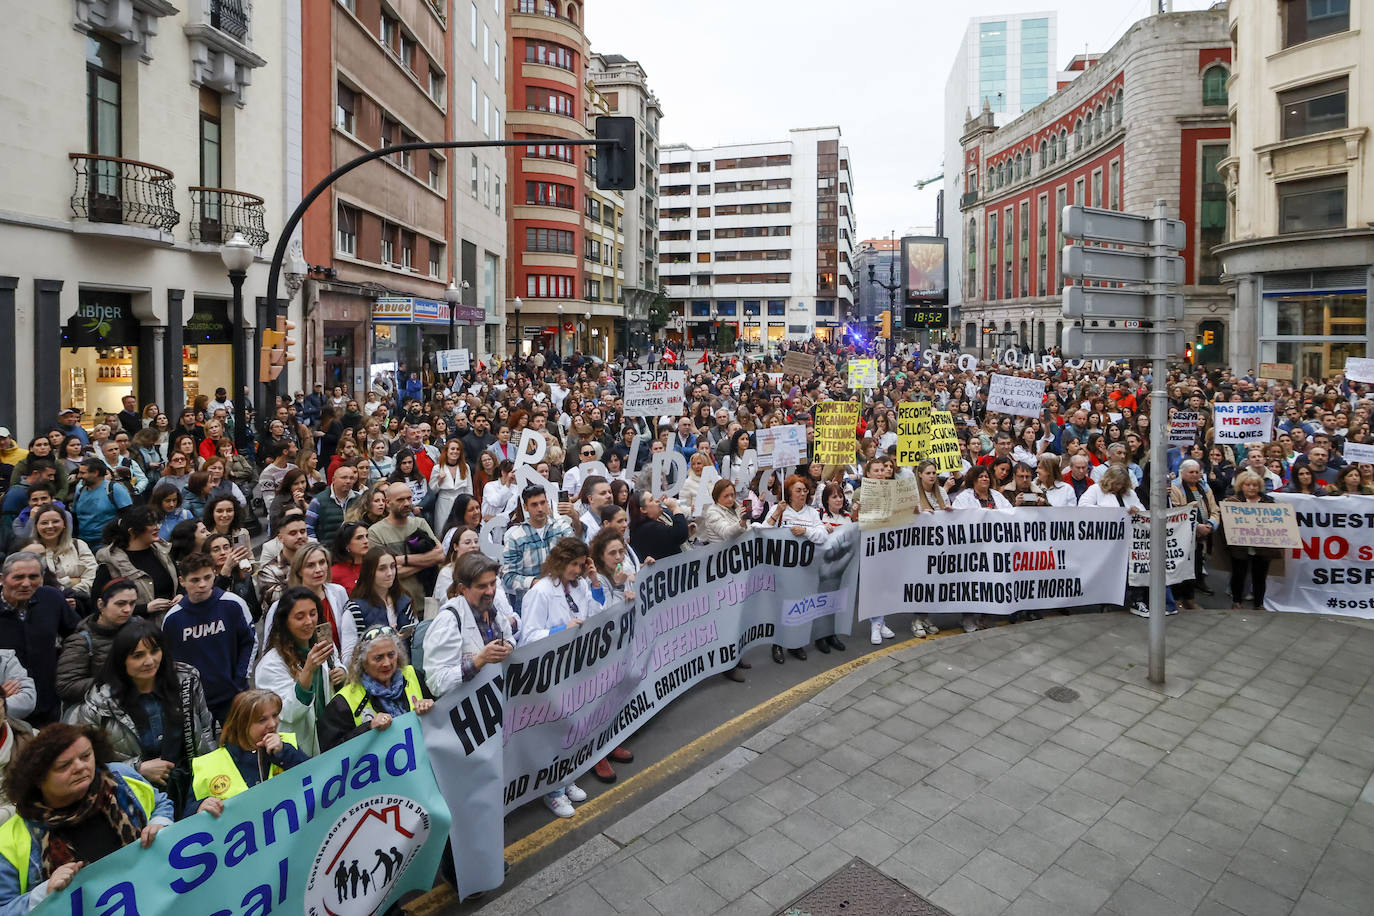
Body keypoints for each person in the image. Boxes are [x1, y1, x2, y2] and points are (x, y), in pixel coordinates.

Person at [0, 723, 173, 909]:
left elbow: (159, 803)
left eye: (86, 756)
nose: (80, 767)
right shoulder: (10, 841)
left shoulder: (121, 778)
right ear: (38, 779)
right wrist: (42, 894)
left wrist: (160, 824)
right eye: (64, 765)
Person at [67, 620, 215, 815]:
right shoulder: (99, 704)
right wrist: (138, 768)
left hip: (192, 790)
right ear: (121, 660)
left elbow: (206, 731)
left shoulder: (186, 680)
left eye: (155, 651)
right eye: (138, 655)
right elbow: (90, 764)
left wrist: (213, 783)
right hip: (135, 799)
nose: (149, 661)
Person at [513, 538, 593, 818]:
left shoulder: (580, 585)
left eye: (581, 564)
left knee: (571, 727)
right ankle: (552, 791)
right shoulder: (541, 592)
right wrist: (561, 629)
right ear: (559, 562)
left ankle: (566, 776)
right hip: (549, 673)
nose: (578, 569)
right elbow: (529, 636)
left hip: (575, 667)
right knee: (551, 731)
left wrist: (594, 582)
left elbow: (592, 614)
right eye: (573, 564)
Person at [160, 553, 255, 725]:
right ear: (182, 581)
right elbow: (168, 661)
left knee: (243, 746)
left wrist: (240, 679)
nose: (202, 584)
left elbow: (250, 642)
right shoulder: (172, 619)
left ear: (214, 575)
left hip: (235, 694)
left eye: (207, 577)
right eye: (195, 580)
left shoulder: (233, 604)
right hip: (194, 703)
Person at [187, 689, 311, 819]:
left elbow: (317, 777)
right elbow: (185, 819)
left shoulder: (287, 745)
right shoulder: (208, 764)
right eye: (262, 720)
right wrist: (199, 807)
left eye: (275, 715)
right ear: (242, 723)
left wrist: (284, 753)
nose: (273, 724)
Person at [254, 586, 343, 758]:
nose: (309, 621)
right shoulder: (270, 665)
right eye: (299, 617)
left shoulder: (322, 647)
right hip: (296, 751)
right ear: (285, 621)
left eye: (313, 613)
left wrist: (342, 673)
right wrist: (308, 670)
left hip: (330, 740)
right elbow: (288, 712)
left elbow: (337, 667)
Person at [318, 626, 435, 752]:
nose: (387, 663)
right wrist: (368, 728)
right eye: (378, 658)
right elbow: (331, 755)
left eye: (391, 655)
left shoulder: (414, 676)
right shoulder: (343, 703)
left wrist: (431, 708)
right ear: (363, 662)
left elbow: (442, 722)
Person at [0, 554, 80, 725]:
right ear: (2, 579)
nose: (26, 583)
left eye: (34, 577)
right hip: (8, 707)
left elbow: (77, 635)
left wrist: (66, 670)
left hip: (49, 701)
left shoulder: (52, 598)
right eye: (18, 577)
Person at [54, 579, 138, 710]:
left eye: (132, 603)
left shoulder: (140, 628)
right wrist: (117, 680)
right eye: (120, 604)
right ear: (101, 604)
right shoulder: (80, 641)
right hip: (100, 716)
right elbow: (66, 686)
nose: (127, 609)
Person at [92, 508, 179, 623]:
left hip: (171, 622)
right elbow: (98, 606)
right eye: (151, 524)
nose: (157, 527)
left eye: (157, 522)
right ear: (132, 532)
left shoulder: (163, 552)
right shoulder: (110, 564)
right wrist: (145, 608)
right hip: (136, 630)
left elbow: (180, 579)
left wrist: (181, 595)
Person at [367, 483, 445, 608]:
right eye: (400, 500)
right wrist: (427, 562)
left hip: (428, 601)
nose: (407, 503)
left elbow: (440, 556)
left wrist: (402, 560)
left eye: (409, 498)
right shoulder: (375, 532)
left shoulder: (420, 523)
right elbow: (386, 573)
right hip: (398, 605)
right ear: (388, 503)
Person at [500, 485, 576, 613]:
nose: (540, 509)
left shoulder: (562, 528)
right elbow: (508, 577)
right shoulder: (516, 537)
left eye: (543, 503)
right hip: (532, 603)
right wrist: (536, 583)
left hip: (563, 597)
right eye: (534, 505)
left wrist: (575, 517)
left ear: (548, 503)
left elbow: (577, 555)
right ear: (525, 507)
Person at [17, 506, 96, 614]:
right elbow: (37, 584)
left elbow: (92, 579)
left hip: (80, 606)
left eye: (55, 521)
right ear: (36, 526)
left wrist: (69, 593)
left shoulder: (78, 545)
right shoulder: (32, 550)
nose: (50, 526)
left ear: (64, 524)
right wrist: (70, 581)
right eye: (44, 523)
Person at [1222, 470, 1281, 611]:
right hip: (1240, 546)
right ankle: (1237, 601)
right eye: (1248, 485)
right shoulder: (1233, 502)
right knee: (1238, 574)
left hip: (1263, 546)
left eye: (1255, 485)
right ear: (1241, 486)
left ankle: (1259, 603)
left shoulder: (1269, 502)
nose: (1252, 488)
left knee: (1260, 576)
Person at [1168, 459, 1220, 610]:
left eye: (1197, 472)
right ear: (1182, 473)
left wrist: (1210, 524)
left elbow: (1214, 509)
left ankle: (1189, 599)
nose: (1195, 475)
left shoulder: (1205, 487)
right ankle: (1177, 599)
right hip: (1182, 536)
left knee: (1195, 567)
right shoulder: (1175, 488)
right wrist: (1196, 526)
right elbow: (1175, 511)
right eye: (1191, 472)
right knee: (1181, 568)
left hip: (1201, 537)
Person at [346, 549, 415, 636]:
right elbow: (349, 649)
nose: (390, 573)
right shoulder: (355, 609)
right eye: (382, 569)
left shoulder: (405, 600)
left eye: (393, 566)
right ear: (369, 572)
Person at [70, 459, 133, 547]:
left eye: (83, 473)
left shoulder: (114, 489)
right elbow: (74, 518)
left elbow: (128, 516)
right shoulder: (80, 491)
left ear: (95, 473)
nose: (79, 476)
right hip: (83, 544)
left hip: (108, 544)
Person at [305, 462, 361, 546]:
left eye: (351, 478)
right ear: (333, 480)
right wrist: (317, 548)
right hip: (327, 551)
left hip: (353, 551)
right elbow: (308, 527)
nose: (348, 481)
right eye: (344, 478)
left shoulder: (359, 499)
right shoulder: (318, 500)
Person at [628, 491, 690, 564]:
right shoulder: (648, 528)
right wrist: (675, 508)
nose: (657, 500)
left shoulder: (646, 526)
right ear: (643, 510)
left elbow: (670, 539)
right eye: (651, 500)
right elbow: (680, 534)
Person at [427, 440, 471, 533]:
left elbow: (469, 489)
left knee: (461, 529)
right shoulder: (438, 468)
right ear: (446, 451)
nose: (455, 451)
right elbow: (432, 490)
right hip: (444, 503)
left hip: (460, 502)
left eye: (458, 449)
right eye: (452, 449)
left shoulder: (465, 467)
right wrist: (439, 481)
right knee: (442, 529)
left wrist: (469, 504)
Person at [330, 522, 370, 595]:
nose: (366, 541)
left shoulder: (374, 565)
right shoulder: (334, 573)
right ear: (346, 544)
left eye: (367, 536)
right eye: (359, 538)